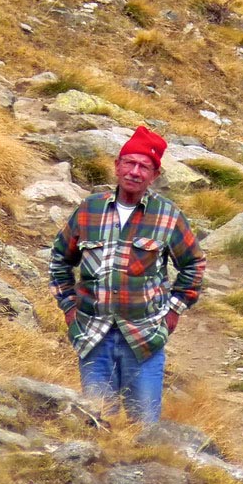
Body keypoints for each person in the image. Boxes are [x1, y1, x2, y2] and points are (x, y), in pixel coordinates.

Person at [49, 125, 206, 423]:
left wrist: (174, 310)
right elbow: (59, 259)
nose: (135, 172)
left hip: (144, 337)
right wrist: (69, 307)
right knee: (97, 425)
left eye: (144, 167)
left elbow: (194, 264)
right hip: (93, 335)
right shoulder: (88, 210)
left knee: (144, 429)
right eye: (129, 163)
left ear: (155, 175)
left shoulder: (167, 215)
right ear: (117, 165)